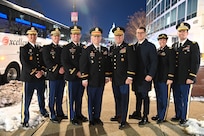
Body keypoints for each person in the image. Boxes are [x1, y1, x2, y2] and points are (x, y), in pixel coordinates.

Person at [79, 27, 111, 126]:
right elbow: (83, 64)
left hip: (101, 80)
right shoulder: (87, 50)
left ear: (101, 37)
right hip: (91, 80)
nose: (96, 38)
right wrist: (84, 78)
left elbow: (107, 64)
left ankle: (97, 117)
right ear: (91, 37)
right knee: (91, 100)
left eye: (98, 36)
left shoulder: (105, 50)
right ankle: (91, 118)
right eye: (94, 36)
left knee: (99, 100)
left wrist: (107, 76)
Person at [171, 22, 200, 126]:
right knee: (176, 97)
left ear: (187, 32)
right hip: (176, 78)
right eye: (180, 31)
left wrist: (191, 76)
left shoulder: (193, 45)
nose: (182, 33)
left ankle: (184, 117)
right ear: (177, 33)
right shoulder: (174, 46)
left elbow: (195, 62)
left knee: (184, 98)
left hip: (186, 78)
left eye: (184, 31)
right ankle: (178, 114)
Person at [20, 27, 48, 128]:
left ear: (36, 36)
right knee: (26, 100)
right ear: (28, 36)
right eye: (30, 35)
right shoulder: (24, 49)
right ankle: (25, 119)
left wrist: (42, 71)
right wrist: (36, 72)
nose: (32, 36)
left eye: (34, 35)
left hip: (40, 78)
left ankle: (43, 111)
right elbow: (25, 63)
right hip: (29, 79)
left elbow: (44, 62)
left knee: (41, 97)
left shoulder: (40, 48)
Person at [129, 26, 157, 125]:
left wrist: (150, 74)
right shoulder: (134, 46)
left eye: (141, 33)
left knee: (145, 96)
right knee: (137, 95)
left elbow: (154, 62)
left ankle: (145, 116)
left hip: (146, 76)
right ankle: (137, 112)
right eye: (138, 33)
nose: (139, 34)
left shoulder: (150, 46)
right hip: (136, 77)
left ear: (145, 34)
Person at [109, 27, 135, 129]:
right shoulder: (113, 48)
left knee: (124, 100)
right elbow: (112, 64)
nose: (118, 37)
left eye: (120, 35)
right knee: (117, 98)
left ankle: (124, 120)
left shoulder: (128, 47)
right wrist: (110, 75)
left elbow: (132, 63)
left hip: (124, 79)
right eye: (116, 36)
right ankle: (118, 115)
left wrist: (130, 76)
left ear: (123, 36)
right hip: (115, 79)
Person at [61, 25, 88, 125]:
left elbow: (86, 62)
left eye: (77, 34)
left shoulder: (83, 48)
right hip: (72, 77)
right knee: (71, 98)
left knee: (79, 98)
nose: (76, 36)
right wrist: (76, 72)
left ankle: (78, 114)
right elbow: (65, 62)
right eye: (74, 34)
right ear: (71, 35)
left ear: (80, 35)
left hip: (81, 78)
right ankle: (72, 117)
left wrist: (84, 74)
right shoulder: (66, 48)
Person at [42, 28, 67, 123]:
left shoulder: (62, 49)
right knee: (52, 96)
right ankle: (52, 114)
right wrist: (58, 69)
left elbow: (64, 60)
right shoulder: (46, 48)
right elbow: (47, 61)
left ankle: (60, 112)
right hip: (52, 77)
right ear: (51, 37)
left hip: (61, 77)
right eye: (54, 36)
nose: (56, 37)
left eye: (58, 36)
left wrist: (63, 68)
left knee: (60, 96)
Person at [151, 34, 175, 124]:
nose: (162, 41)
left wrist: (170, 77)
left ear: (166, 41)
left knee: (164, 98)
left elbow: (172, 65)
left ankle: (163, 116)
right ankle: (159, 114)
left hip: (165, 79)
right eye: (160, 40)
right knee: (159, 98)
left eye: (164, 40)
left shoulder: (170, 51)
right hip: (157, 78)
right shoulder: (157, 51)